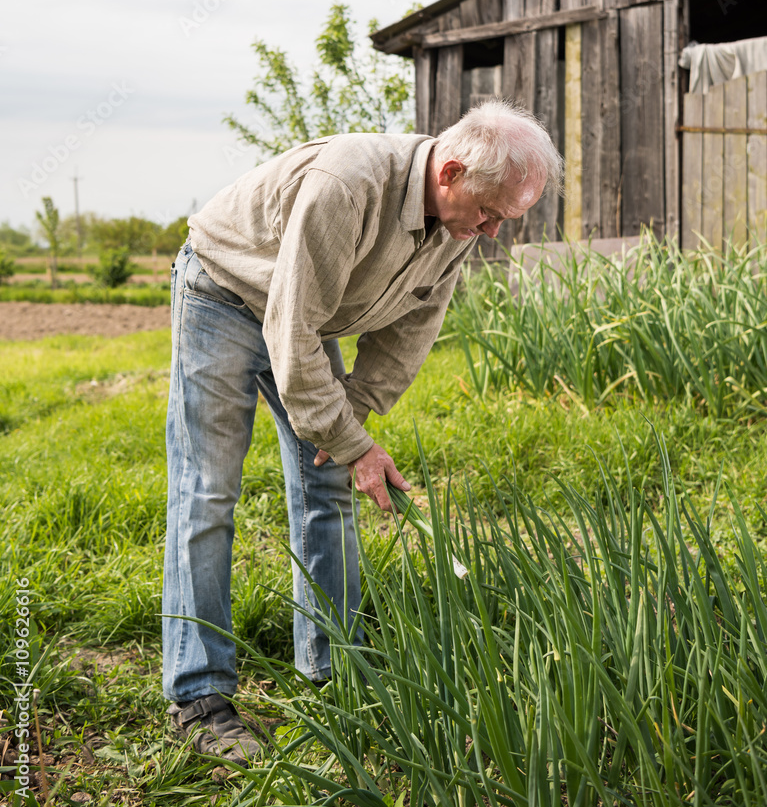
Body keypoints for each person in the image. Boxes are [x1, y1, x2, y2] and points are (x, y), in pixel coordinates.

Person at [162, 98, 563, 763]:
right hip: (225, 294)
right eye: (490, 214)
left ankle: (333, 667)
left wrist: (355, 418)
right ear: (451, 172)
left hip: (306, 317)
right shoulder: (347, 186)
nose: (492, 232)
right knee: (207, 491)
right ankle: (200, 696)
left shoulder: (457, 223)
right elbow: (290, 328)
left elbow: (412, 330)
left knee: (327, 484)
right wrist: (354, 443)